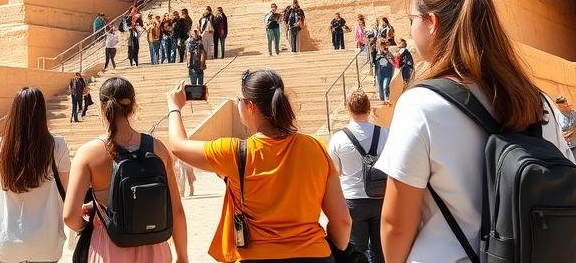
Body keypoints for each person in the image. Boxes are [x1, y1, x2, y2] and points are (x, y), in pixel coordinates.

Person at [377, 0, 570, 262]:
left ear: (431, 23)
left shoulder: (420, 104)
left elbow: (396, 224)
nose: (410, 28)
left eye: (412, 19)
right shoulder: (537, 101)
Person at [166, 70, 351, 262]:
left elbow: (178, 146)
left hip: (256, 257)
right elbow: (343, 221)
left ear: (250, 106)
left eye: (239, 100)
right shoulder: (317, 148)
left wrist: (174, 107)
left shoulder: (233, 152)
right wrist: (331, 248)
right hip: (314, 255)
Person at [63, 77, 188, 263]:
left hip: (109, 247)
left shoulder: (88, 153)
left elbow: (69, 216)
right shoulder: (158, 148)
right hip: (155, 248)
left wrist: (92, 225)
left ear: (102, 107)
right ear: (134, 105)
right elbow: (176, 210)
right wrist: (182, 257)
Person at [0, 87, 70, 263]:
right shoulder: (57, 146)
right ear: (42, 113)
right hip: (45, 242)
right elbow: (66, 192)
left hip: (7, 241)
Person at [327, 90, 385, 263]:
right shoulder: (385, 134)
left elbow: (335, 172)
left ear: (348, 109)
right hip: (380, 198)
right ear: (369, 108)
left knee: (356, 251)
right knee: (380, 249)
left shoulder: (338, 138)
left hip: (352, 200)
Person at [556, 95, 576, 170]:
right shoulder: (557, 115)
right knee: (569, 168)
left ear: (566, 104)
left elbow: (575, 128)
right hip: (565, 146)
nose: (562, 109)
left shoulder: (573, 113)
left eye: (564, 106)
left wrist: (566, 135)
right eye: (560, 107)